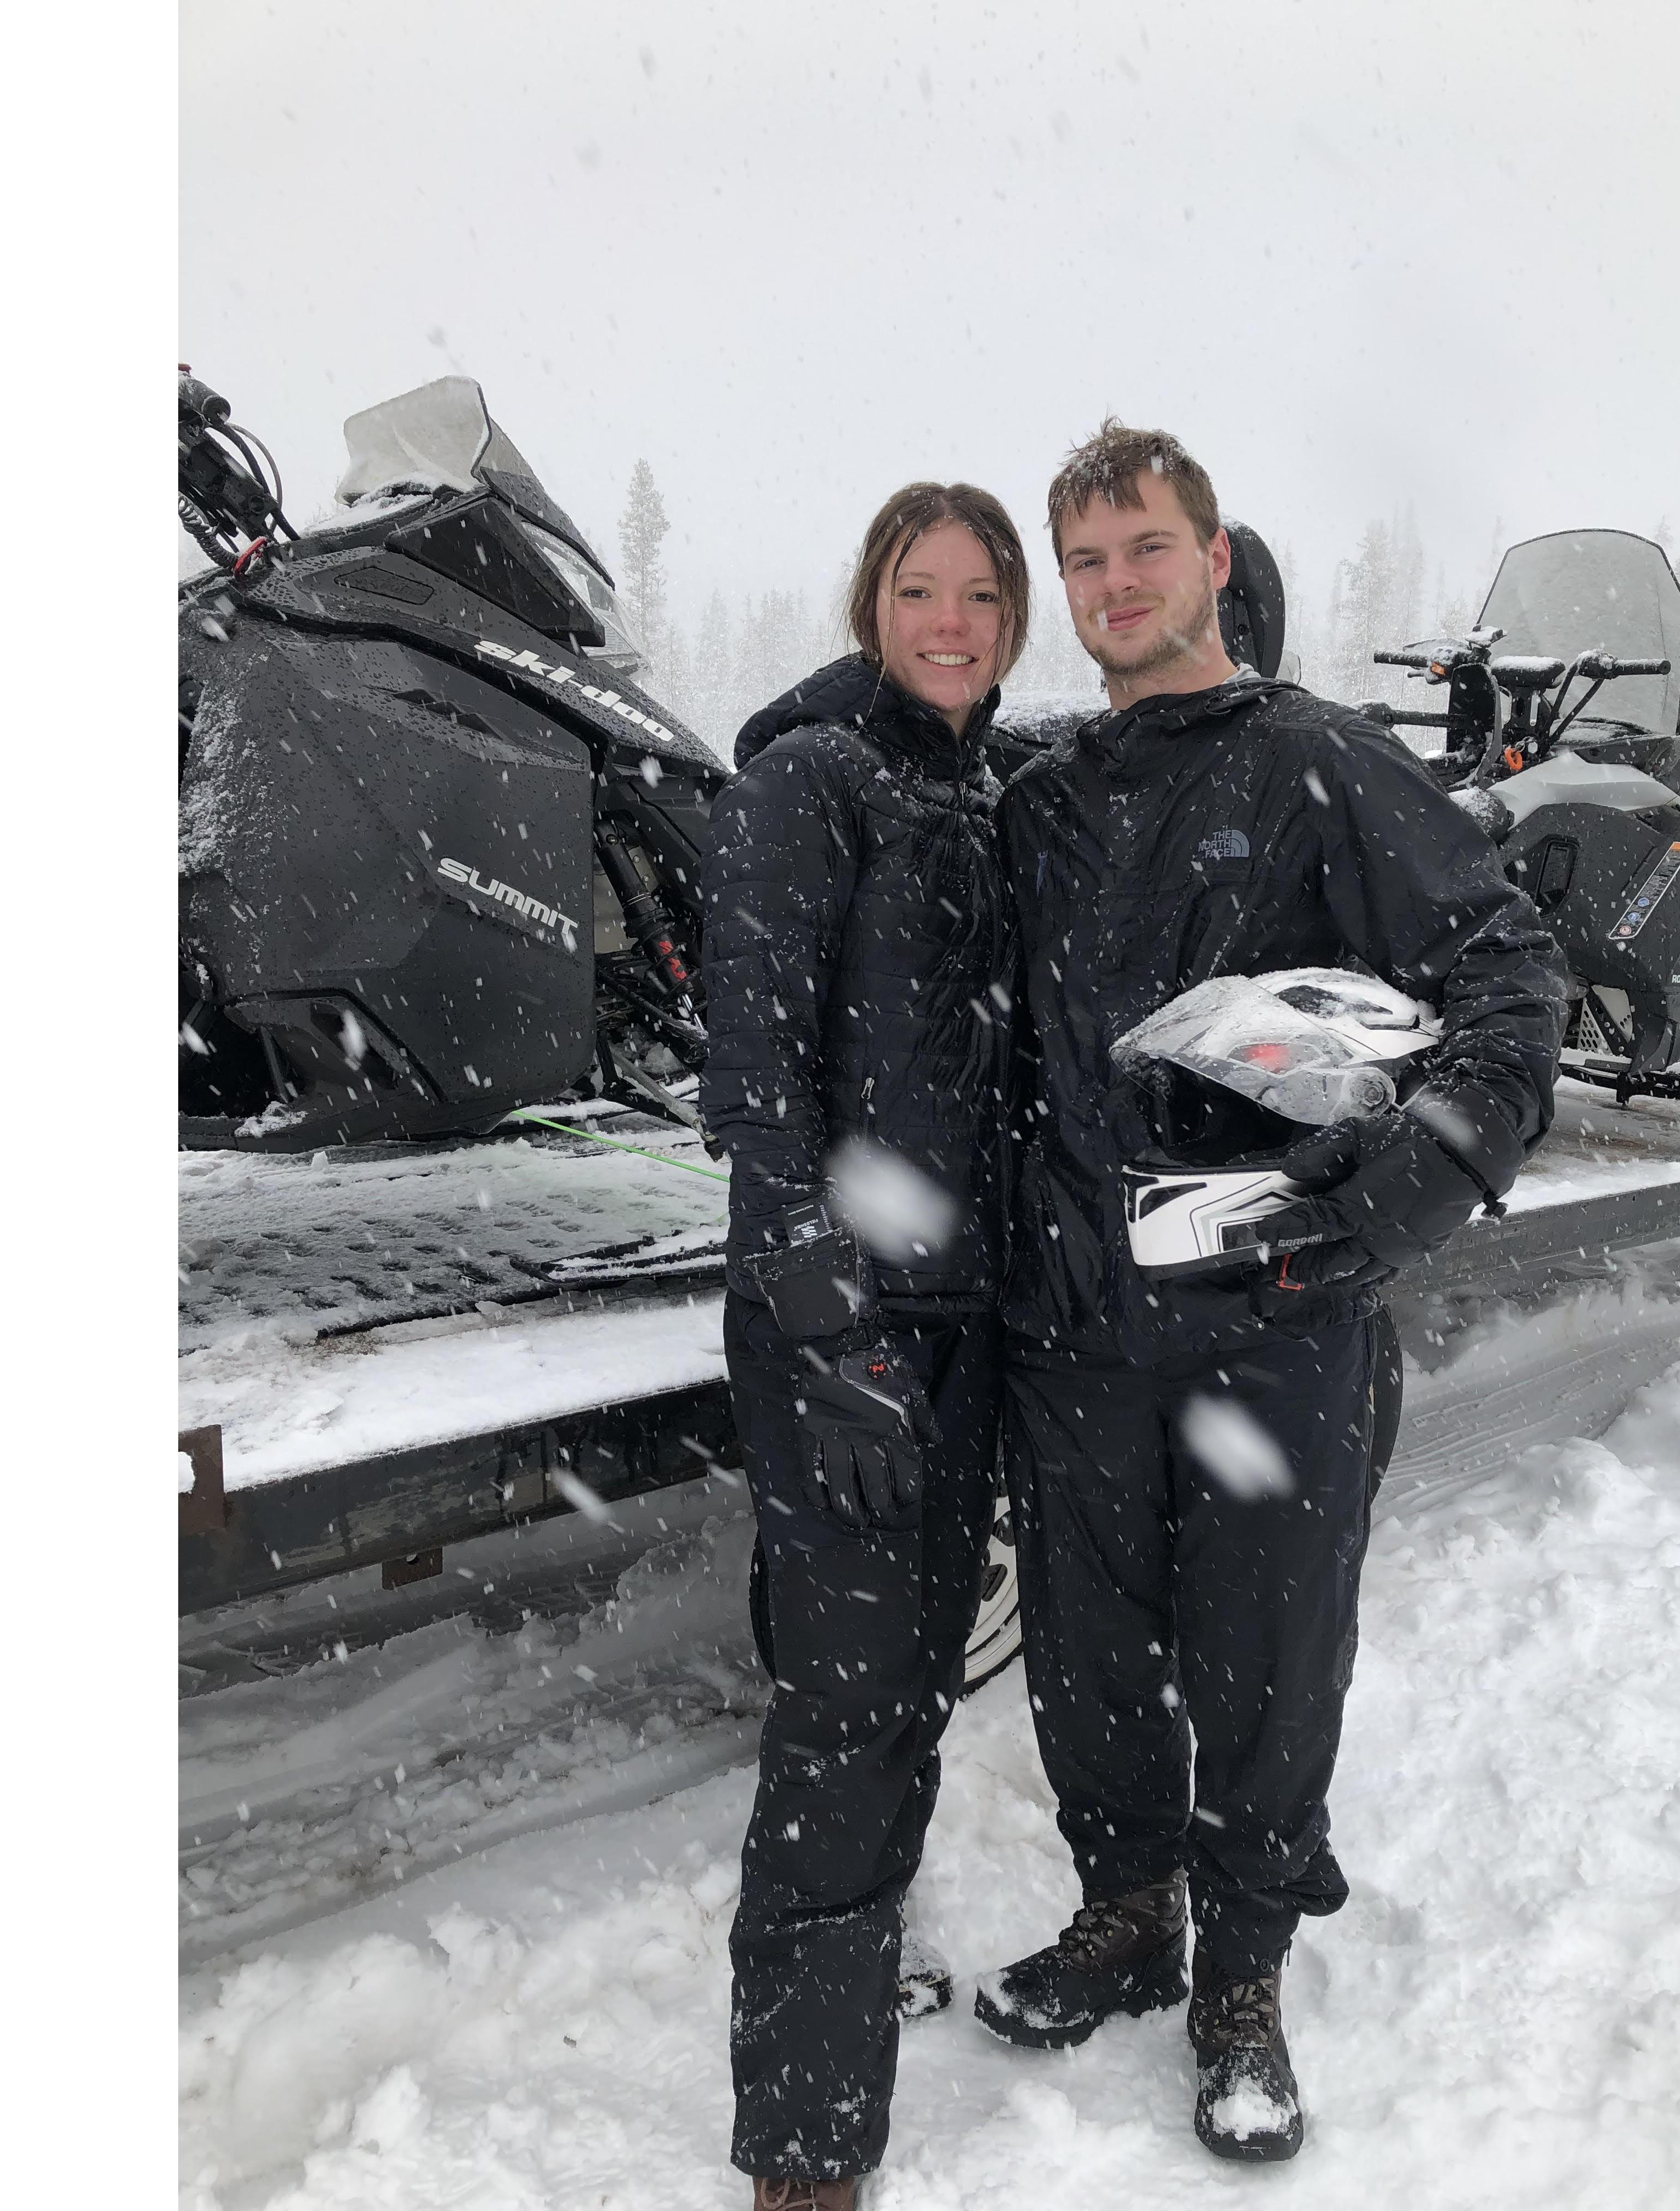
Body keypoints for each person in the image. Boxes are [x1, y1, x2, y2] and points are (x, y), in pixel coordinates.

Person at [973, 421, 1569, 2161]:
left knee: (1266, 1659)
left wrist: (1401, 1195)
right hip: (1077, 1319)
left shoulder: (1321, 763)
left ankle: (1241, 1975)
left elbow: (1510, 982)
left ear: (1215, 560)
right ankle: (1125, 1915)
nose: (1117, 586)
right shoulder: (1041, 800)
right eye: (1086, 562)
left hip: (1275, 1310)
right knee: (1085, 1656)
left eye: (1146, 548)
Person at [702, 484, 1030, 2210]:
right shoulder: (808, 784)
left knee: (910, 1692)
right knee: (843, 1709)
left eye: (981, 594)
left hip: (966, 1327)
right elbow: (756, 1092)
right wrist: (828, 1324)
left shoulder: (997, 794)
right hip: (836, 1326)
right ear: (872, 605)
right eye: (921, 590)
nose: (950, 622)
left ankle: (852, 1977)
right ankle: (805, 2146)